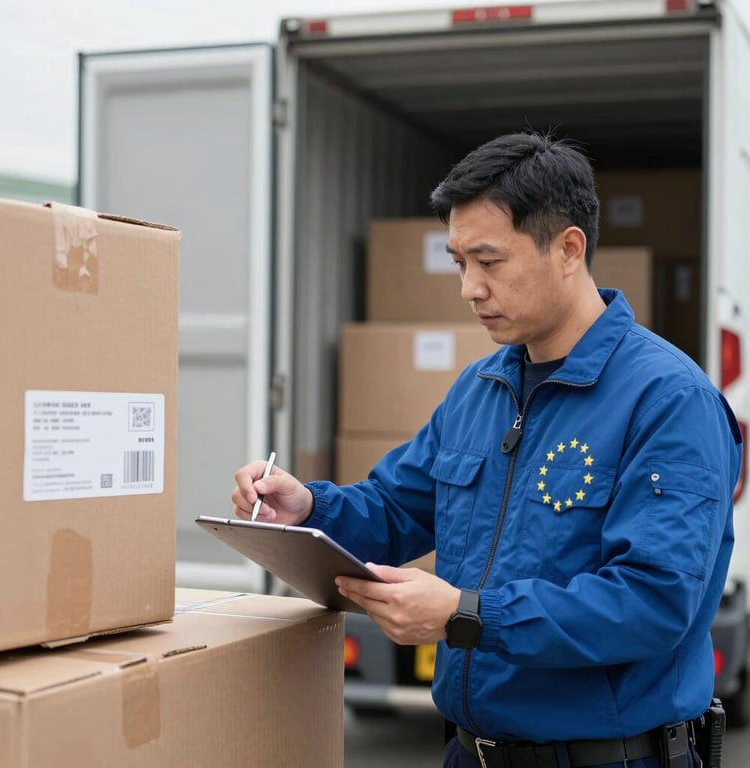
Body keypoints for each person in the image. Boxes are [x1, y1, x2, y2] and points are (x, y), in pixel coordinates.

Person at [231, 131, 742, 768]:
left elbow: (652, 602)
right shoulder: (482, 390)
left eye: (489, 261)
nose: (469, 287)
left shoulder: (667, 400)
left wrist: (466, 617)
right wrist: (308, 508)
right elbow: (394, 510)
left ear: (568, 249)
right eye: (458, 262)